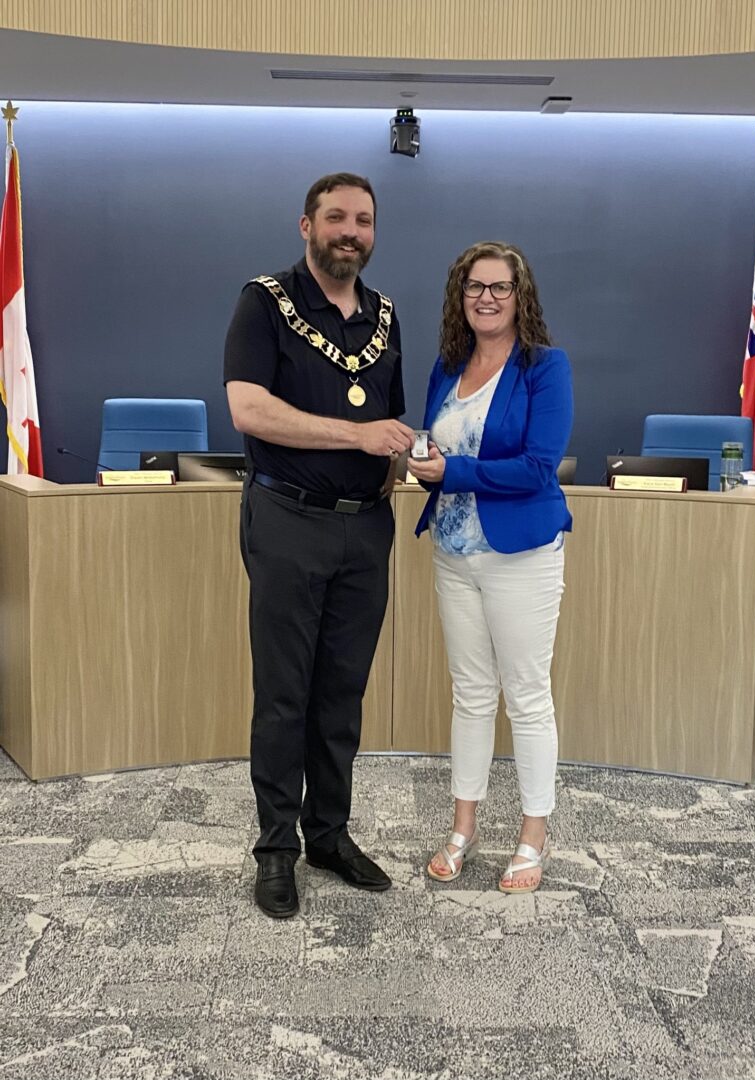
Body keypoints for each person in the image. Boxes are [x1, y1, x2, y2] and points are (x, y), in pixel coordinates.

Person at [224, 173, 414, 918]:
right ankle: (276, 849)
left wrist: (406, 459)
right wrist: (355, 436)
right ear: (306, 225)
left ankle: (328, 835)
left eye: (363, 220)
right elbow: (249, 409)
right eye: (336, 217)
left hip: (366, 528)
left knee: (341, 693)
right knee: (283, 694)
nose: (350, 232)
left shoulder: (385, 315)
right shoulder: (264, 302)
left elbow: (392, 422)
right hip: (287, 519)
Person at [408, 241, 573, 894]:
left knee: (526, 696)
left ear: (519, 295)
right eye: (474, 286)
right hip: (453, 555)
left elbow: (537, 467)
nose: (486, 297)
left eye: (500, 286)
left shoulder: (544, 368)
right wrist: (419, 462)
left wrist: (451, 471)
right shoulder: (447, 366)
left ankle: (532, 837)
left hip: (520, 557)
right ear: (460, 295)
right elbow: (435, 445)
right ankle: (463, 829)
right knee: (470, 695)